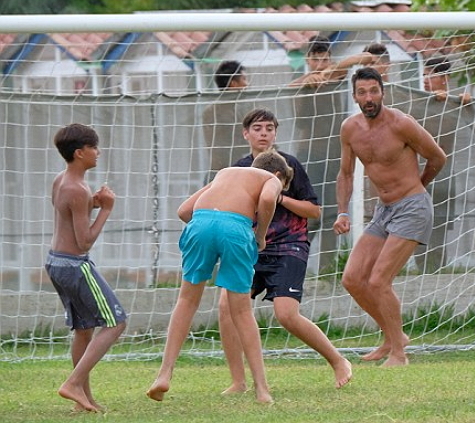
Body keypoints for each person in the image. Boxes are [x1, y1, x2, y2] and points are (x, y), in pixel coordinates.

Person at [218, 108, 352, 392]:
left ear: (276, 133)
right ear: (246, 134)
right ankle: (238, 381)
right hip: (251, 247)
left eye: (269, 128)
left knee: (286, 315)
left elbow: (314, 210)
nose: (263, 132)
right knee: (225, 307)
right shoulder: (238, 169)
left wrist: (279, 197)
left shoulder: (289, 165)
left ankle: (338, 360)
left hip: (289, 247)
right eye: (257, 128)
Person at [146, 148, 294, 404]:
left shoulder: (224, 173)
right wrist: (259, 236)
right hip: (236, 229)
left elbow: (183, 211)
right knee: (241, 312)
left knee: (187, 301)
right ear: (279, 175)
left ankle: (164, 374)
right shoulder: (270, 180)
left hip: (200, 222)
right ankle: (262, 389)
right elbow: (269, 200)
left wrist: (207, 228)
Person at [333, 67, 447, 367]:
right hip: (383, 211)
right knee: (353, 279)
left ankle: (399, 352)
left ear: (382, 91)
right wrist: (343, 211)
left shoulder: (402, 124)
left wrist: (419, 186)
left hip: (412, 206)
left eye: (373, 91)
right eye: (362, 92)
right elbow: (345, 173)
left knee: (379, 280)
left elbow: (438, 157)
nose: (368, 98)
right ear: (354, 95)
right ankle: (391, 336)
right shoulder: (350, 129)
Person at [44, 123, 127, 412]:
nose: (98, 152)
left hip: (55, 262)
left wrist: (92, 203)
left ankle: (84, 401)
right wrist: (105, 209)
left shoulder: (61, 180)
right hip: (74, 265)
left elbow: (69, 212)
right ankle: (73, 383)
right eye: (94, 147)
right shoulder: (78, 188)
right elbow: (84, 243)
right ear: (80, 153)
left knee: (83, 329)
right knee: (116, 322)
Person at [202, 60, 250, 184]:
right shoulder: (215, 112)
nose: (247, 84)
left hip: (234, 171)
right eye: (244, 79)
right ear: (233, 84)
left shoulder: (236, 110)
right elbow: (222, 147)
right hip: (221, 175)